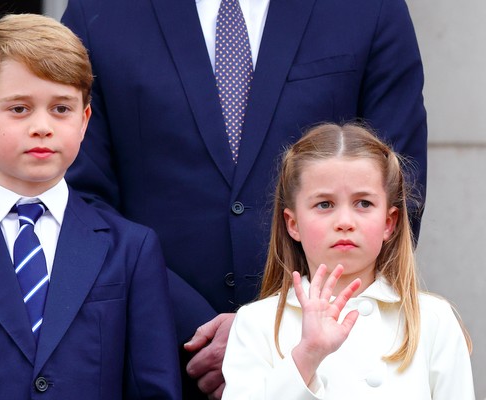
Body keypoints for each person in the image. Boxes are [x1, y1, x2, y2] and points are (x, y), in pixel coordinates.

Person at [60, 0, 428, 397]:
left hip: (328, 365)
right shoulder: (98, 11)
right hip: (156, 361)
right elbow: (79, 200)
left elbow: (394, 188)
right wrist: (192, 326)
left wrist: (272, 326)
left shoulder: (369, 8)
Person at [0, 13, 180, 399]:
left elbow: (155, 389)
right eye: (19, 108)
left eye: (61, 108)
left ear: (84, 120)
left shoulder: (132, 248)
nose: (42, 126)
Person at [221, 122, 474, 399]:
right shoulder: (257, 324)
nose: (344, 222)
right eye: (324, 204)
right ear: (293, 223)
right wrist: (306, 357)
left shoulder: (433, 320)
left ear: (389, 222)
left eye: (363, 203)